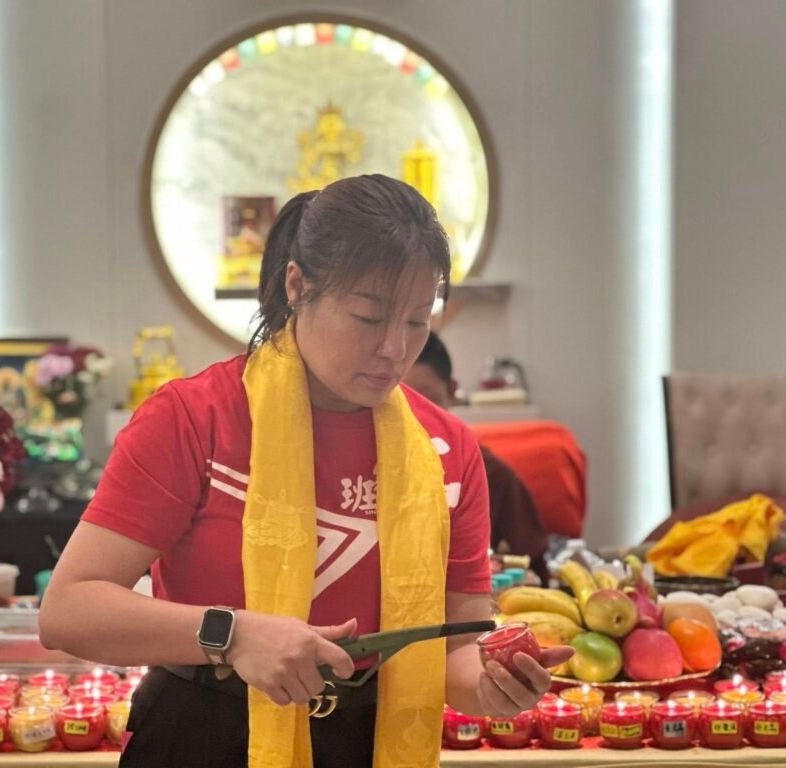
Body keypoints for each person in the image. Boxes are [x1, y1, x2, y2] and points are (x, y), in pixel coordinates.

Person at [39, 175, 571, 768]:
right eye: (368, 318)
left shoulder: (446, 450)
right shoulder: (194, 418)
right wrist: (233, 634)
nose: (394, 349)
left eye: (418, 321)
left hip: (371, 741)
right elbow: (69, 611)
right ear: (297, 285)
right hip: (205, 732)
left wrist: (493, 689)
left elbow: (455, 651)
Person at [404, 332, 550, 581]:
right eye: (400, 403)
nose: (416, 416)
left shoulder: (491, 476)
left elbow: (535, 577)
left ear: (452, 391)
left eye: (427, 400)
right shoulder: (367, 473)